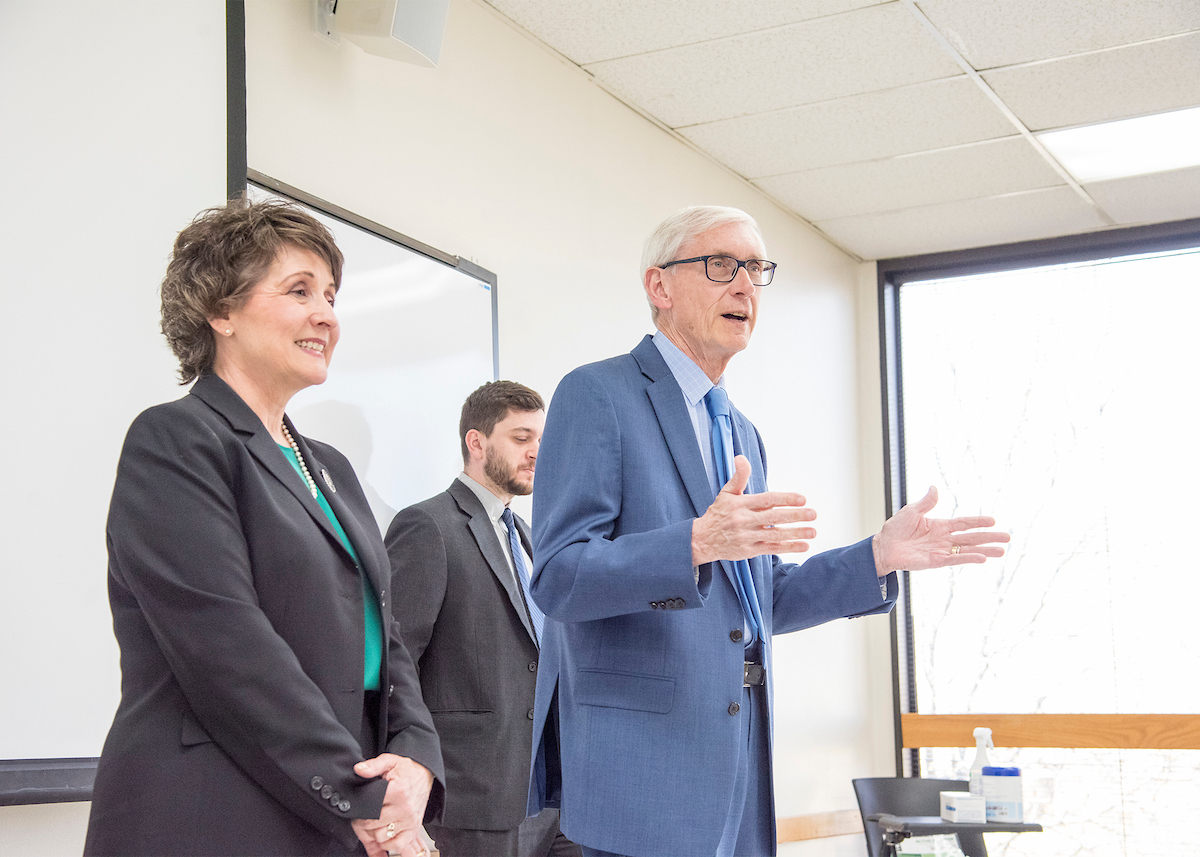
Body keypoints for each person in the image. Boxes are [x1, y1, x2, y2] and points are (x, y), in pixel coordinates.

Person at [525, 205, 1010, 857]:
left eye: (755, 269)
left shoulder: (742, 432)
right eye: (722, 265)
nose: (745, 285)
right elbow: (560, 577)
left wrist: (876, 556)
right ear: (659, 286)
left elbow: (760, 600)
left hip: (737, 774)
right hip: (643, 783)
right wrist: (695, 543)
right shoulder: (598, 395)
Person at [85, 198, 445, 857]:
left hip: (327, 811)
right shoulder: (176, 440)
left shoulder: (329, 465)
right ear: (220, 311)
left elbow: (386, 636)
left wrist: (416, 761)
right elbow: (229, 650)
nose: (326, 315)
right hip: (211, 811)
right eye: (299, 290)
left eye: (332, 295)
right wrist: (368, 801)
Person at [385, 381, 581, 857]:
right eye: (521, 438)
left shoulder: (532, 536)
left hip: (556, 790)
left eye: (542, 439)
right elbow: (395, 659)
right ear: (477, 443)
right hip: (475, 796)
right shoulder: (427, 525)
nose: (537, 452)